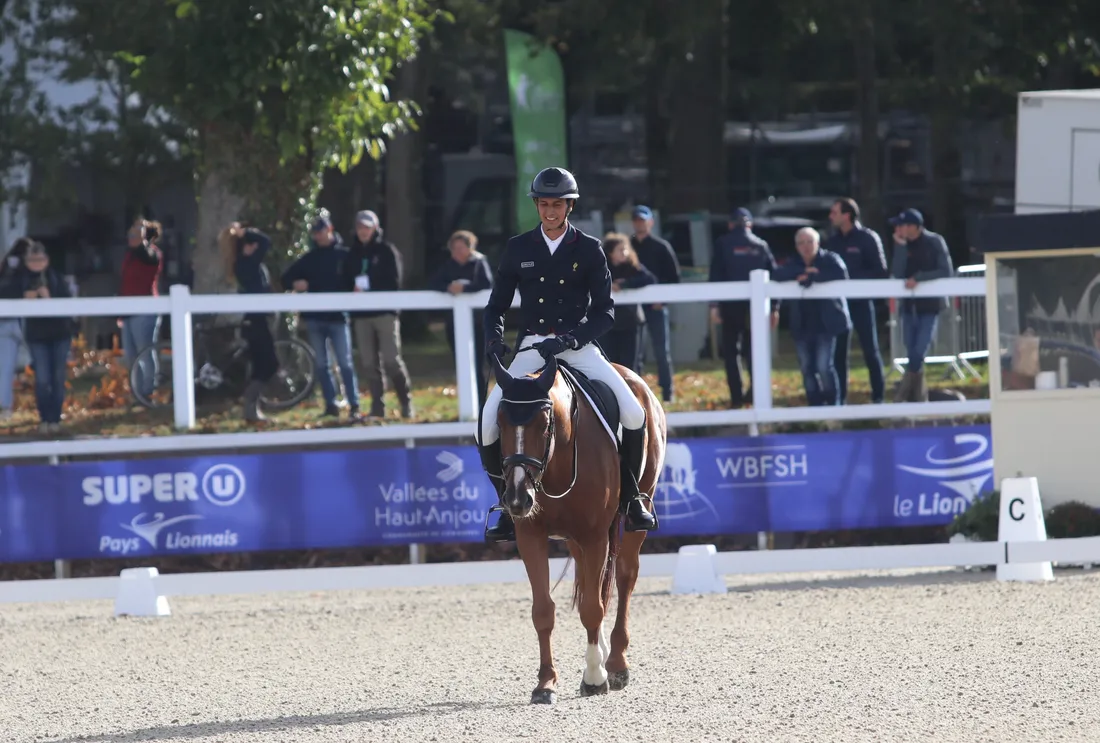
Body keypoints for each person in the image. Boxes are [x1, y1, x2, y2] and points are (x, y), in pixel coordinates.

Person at [478, 167, 658, 543]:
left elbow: (606, 312)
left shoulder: (589, 249)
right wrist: (495, 341)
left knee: (633, 411)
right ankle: (505, 506)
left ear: (569, 206)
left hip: (578, 347)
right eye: (543, 204)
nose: (549, 211)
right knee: (487, 422)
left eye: (556, 204)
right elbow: (496, 306)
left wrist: (569, 340)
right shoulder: (519, 248)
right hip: (531, 347)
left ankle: (633, 498)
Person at [280, 215, 361, 421]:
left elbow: (358, 278)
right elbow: (286, 279)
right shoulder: (310, 258)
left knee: (345, 363)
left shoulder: (345, 256)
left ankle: (354, 404)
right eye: (315, 233)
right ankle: (330, 404)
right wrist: (297, 284)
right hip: (315, 319)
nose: (319, 236)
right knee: (322, 364)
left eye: (321, 231)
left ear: (330, 229)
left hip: (338, 317)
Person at [708, 208, 779, 408]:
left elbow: (716, 274)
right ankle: (755, 393)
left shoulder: (723, 243)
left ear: (731, 224)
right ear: (750, 224)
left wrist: (714, 305)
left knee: (732, 352)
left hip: (730, 307)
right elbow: (773, 276)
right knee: (754, 351)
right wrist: (775, 307)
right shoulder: (761, 245)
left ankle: (737, 397)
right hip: (755, 308)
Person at [0, 242, 73, 434]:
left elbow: (68, 304)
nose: (36, 264)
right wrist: (25, 300)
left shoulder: (56, 278)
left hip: (59, 335)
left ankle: (55, 419)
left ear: (46, 260)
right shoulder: (20, 279)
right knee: (42, 379)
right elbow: (6, 294)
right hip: (37, 337)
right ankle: (44, 419)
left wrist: (48, 298)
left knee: (57, 378)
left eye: (40, 259)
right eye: (32, 260)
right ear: (26, 261)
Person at [348, 210, 414, 419]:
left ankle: (406, 402)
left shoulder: (387, 251)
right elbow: (344, 279)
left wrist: (370, 286)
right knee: (368, 362)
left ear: (375, 228)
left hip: (385, 312)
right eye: (360, 227)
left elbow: (394, 281)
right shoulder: (352, 254)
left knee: (391, 360)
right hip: (362, 315)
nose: (363, 231)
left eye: (367, 227)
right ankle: (377, 407)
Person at [774, 227, 851, 406]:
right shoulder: (793, 262)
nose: (806, 246)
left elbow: (841, 274)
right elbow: (777, 274)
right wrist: (799, 275)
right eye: (802, 243)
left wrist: (815, 277)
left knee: (825, 367)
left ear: (817, 243)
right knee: (807, 368)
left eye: (810, 242)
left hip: (827, 324)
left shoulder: (830, 259)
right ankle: (814, 407)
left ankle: (834, 406)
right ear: (796, 246)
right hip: (802, 324)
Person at [825, 198, 888, 404]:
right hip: (839, 305)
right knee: (839, 355)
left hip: (861, 303)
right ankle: (839, 400)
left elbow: (880, 271)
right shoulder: (832, 242)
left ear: (847, 215)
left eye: (834, 212)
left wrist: (854, 280)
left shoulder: (867, 238)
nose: (830, 217)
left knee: (870, 351)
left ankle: (878, 398)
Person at [889, 208, 953, 402]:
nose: (898, 229)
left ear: (913, 227)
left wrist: (919, 278)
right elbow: (897, 272)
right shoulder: (903, 245)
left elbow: (945, 270)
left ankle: (904, 394)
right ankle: (918, 396)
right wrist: (899, 247)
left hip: (930, 305)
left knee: (918, 350)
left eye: (902, 225)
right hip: (909, 306)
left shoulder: (934, 242)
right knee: (911, 350)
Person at [219, 222, 278, 422]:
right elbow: (266, 241)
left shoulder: (244, 263)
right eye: (250, 243)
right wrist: (248, 232)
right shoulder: (247, 263)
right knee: (269, 364)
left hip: (256, 320)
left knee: (262, 365)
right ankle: (250, 407)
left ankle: (253, 409)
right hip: (256, 321)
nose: (255, 246)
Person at [429, 230, 493, 404]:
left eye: (461, 247)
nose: (458, 251)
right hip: (454, 324)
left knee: (479, 364)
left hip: (478, 323)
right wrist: (449, 287)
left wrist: (465, 289)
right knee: (461, 363)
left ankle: (481, 404)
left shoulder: (479, 263)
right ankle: (467, 403)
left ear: (470, 248)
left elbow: (486, 284)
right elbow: (434, 283)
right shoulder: (448, 265)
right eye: (454, 248)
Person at [630, 205, 680, 402]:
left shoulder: (661, 247)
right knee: (637, 353)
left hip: (656, 307)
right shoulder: (627, 247)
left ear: (650, 222)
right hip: (634, 308)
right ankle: (637, 393)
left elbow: (674, 278)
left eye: (643, 220)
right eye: (636, 220)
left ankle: (668, 392)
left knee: (662, 351)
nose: (639, 224)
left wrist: (663, 301)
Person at [118, 219, 164, 398]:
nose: (131, 238)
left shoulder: (152, 254)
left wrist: (141, 240)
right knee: (131, 356)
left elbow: (147, 256)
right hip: (128, 310)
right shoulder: (129, 255)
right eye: (130, 235)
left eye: (135, 235)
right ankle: (137, 393)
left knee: (145, 352)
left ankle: (149, 390)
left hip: (145, 310)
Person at [602, 232, 656, 371]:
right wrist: (610, 284)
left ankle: (633, 392)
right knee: (609, 363)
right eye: (620, 249)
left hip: (631, 321)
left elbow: (649, 278)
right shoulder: (601, 268)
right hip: (607, 323)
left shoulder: (633, 267)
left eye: (625, 248)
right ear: (610, 252)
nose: (625, 252)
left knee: (631, 364)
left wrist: (625, 284)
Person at [0, 238, 29, 420]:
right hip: (17, 321)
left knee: (6, 367)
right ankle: (4, 407)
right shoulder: (25, 272)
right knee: (7, 367)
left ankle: (5, 406)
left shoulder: (6, 269)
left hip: (7, 321)